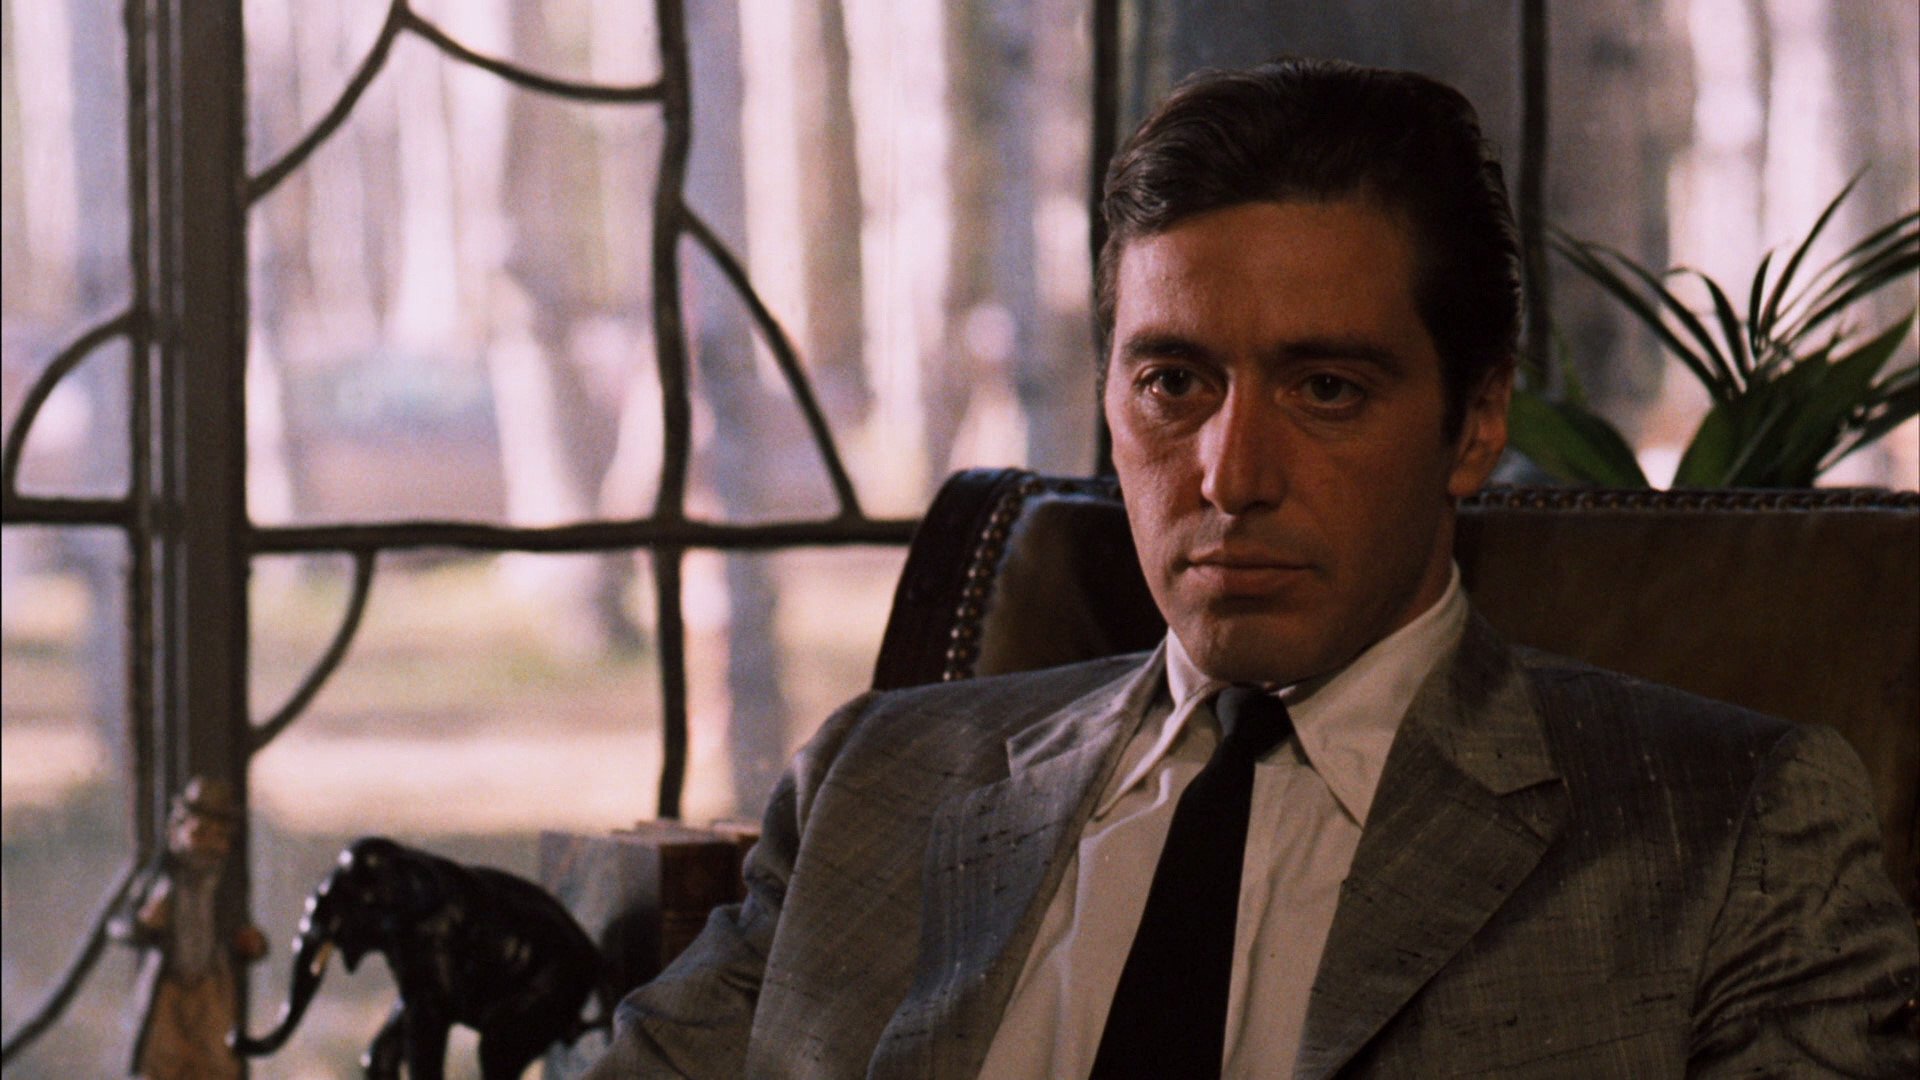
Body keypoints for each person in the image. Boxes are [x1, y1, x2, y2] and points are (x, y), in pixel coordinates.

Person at [586, 58, 1919, 1078]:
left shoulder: (1728, 834)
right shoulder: (879, 783)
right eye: (1173, 381)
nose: (1231, 475)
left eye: (1327, 388)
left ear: (1475, 424)